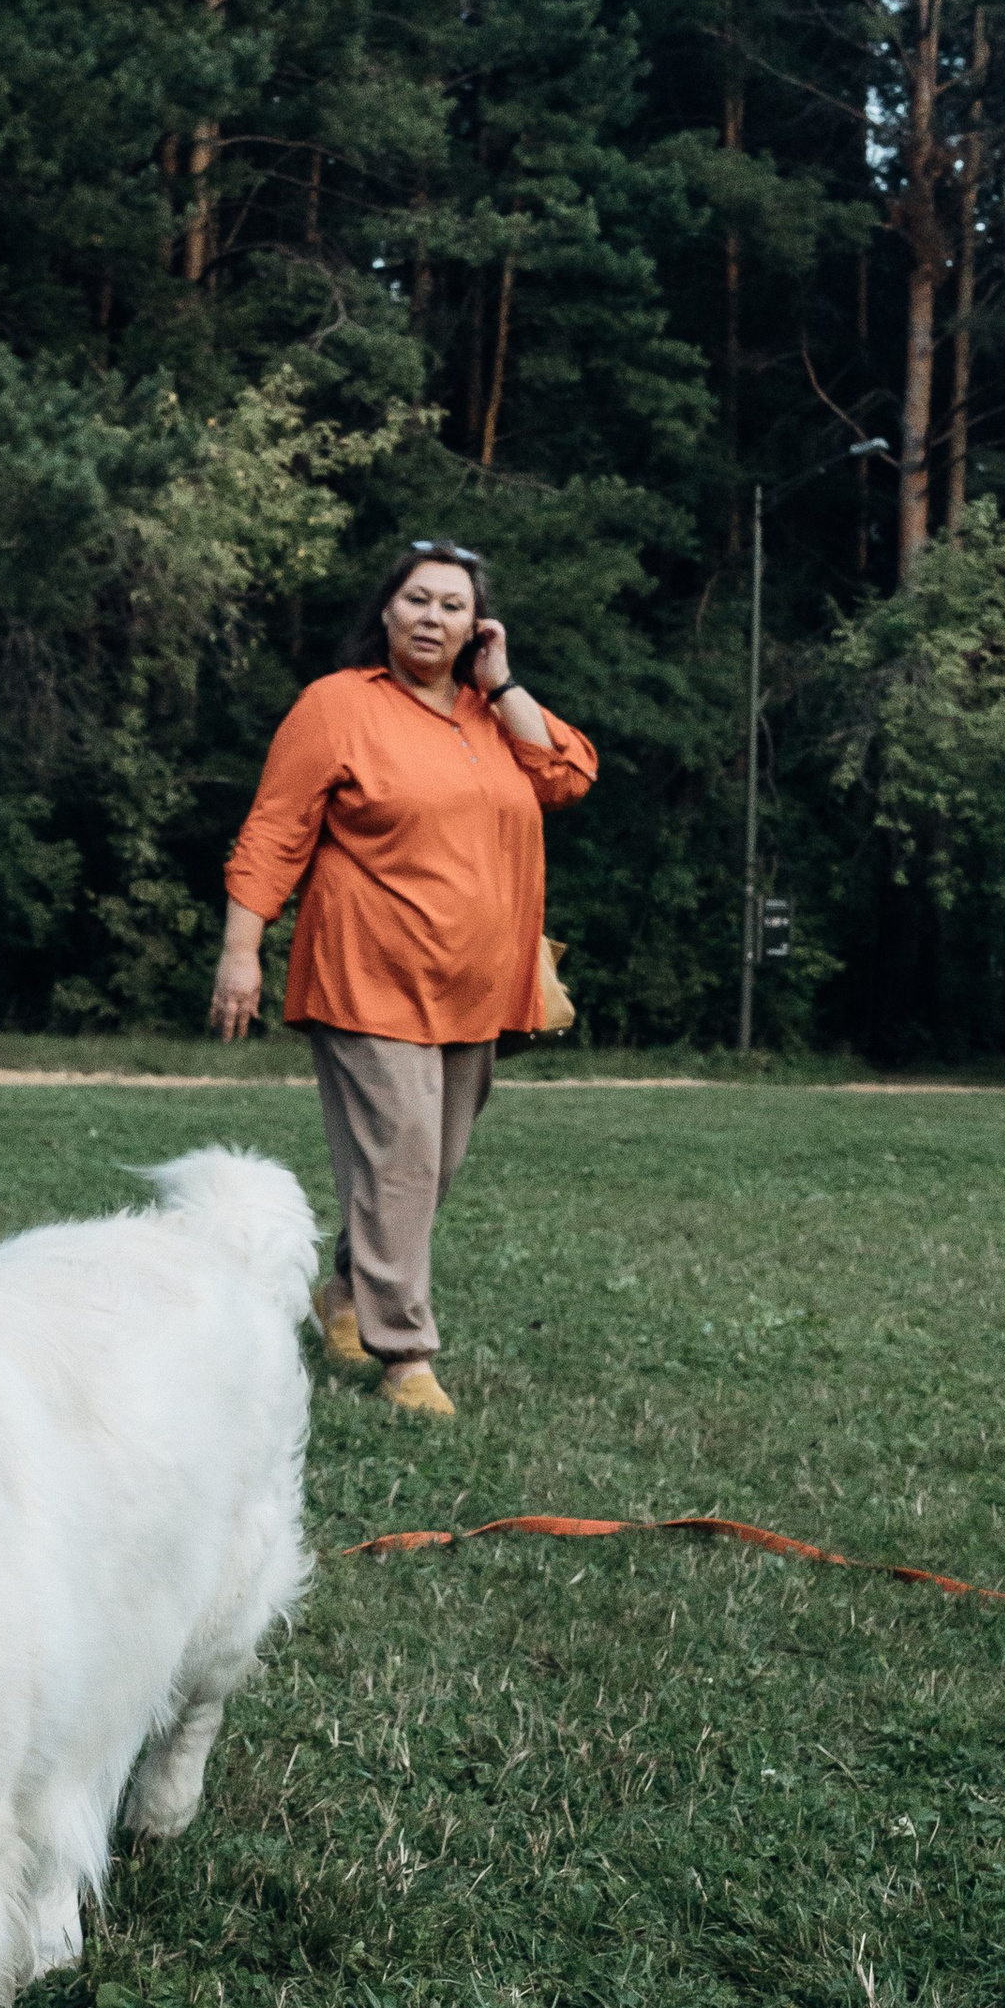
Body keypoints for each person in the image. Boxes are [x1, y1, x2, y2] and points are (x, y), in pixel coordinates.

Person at [210, 540, 598, 1415]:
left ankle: (348, 1292)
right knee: (402, 1164)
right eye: (417, 600)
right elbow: (274, 831)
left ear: (477, 626)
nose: (432, 618)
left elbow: (568, 776)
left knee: (432, 1165)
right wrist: (243, 951)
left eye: (452, 606)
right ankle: (405, 1358)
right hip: (367, 969)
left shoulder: (490, 713)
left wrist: (501, 684)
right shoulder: (338, 706)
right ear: (386, 611)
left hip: (478, 985)